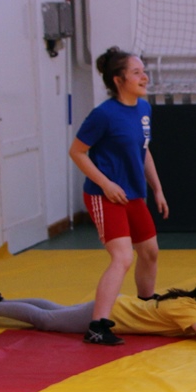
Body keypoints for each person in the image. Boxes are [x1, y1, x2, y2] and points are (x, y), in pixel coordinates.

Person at [69, 47, 169, 347]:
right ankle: (97, 326)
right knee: (123, 257)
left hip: (133, 193)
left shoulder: (144, 109)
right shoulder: (103, 115)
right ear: (118, 79)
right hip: (105, 195)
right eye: (136, 72)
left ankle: (145, 306)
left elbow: (143, 151)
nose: (144, 77)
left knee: (150, 252)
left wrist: (157, 188)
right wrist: (106, 184)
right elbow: (77, 152)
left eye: (143, 71)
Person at [0, 275, 196, 343]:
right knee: (47, 320)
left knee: (57, 310)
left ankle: (0, 301)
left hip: (117, 306)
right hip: (112, 314)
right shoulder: (188, 311)